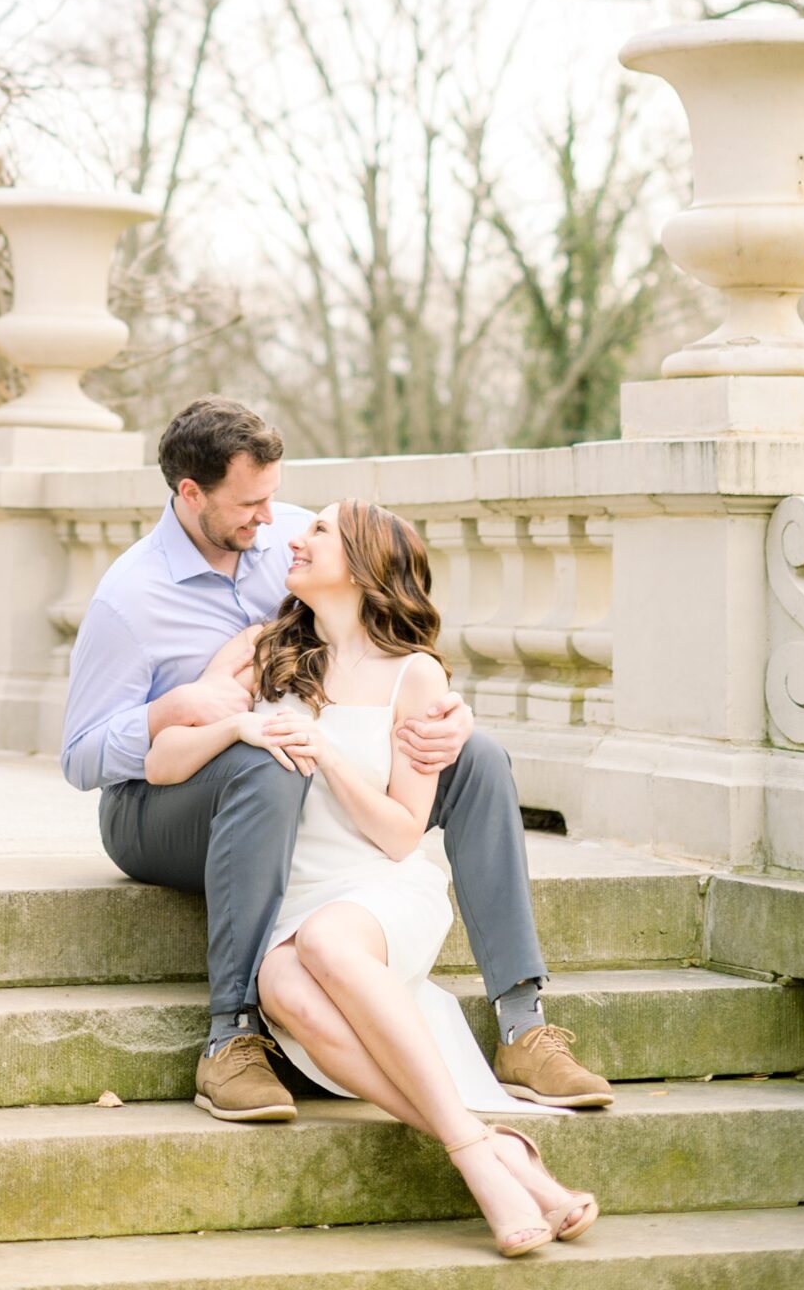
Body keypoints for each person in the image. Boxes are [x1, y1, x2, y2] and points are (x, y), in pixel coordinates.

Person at [61, 396, 612, 1127]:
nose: (271, 522)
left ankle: (521, 1022)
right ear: (189, 493)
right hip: (163, 803)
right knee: (268, 758)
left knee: (476, 758)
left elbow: (380, 640)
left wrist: (445, 711)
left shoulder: (294, 540)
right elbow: (81, 757)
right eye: (249, 504)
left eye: (275, 498)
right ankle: (231, 1035)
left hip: (298, 776)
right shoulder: (129, 599)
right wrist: (181, 710)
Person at [148, 495, 599, 1257]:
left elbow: (398, 836)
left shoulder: (414, 677)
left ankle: (475, 1163)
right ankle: (492, 1148)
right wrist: (236, 725)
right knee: (280, 984)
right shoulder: (260, 651)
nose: (297, 537)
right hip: (290, 895)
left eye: (319, 530)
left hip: (380, 893)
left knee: (325, 944)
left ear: (362, 565)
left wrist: (323, 752)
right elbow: (161, 763)